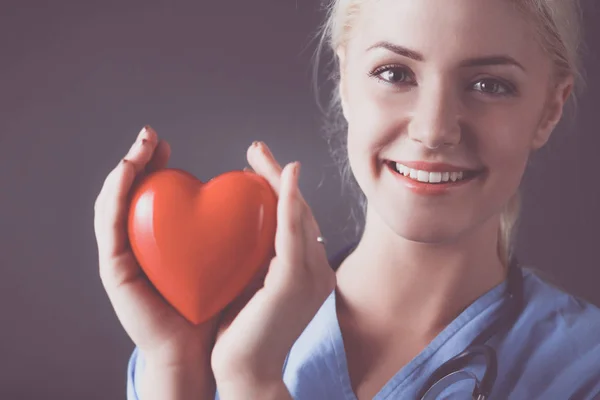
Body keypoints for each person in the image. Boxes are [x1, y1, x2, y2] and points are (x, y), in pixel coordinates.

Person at [93, 0, 600, 398]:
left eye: (490, 84)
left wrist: (253, 386)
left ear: (550, 109)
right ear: (344, 81)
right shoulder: (190, 347)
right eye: (395, 73)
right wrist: (176, 367)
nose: (434, 129)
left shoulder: (585, 370)